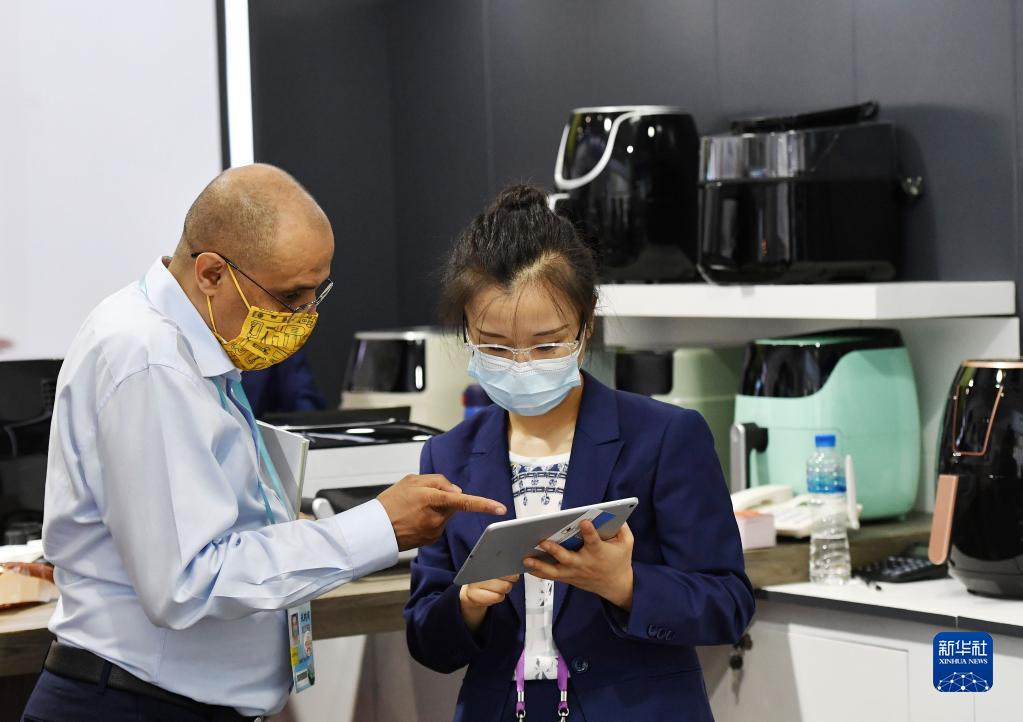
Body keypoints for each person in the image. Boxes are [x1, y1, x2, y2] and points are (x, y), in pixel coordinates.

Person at [23, 164, 505, 722]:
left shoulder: (193, 347)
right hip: (131, 704)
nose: (306, 317)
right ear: (211, 273)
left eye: (317, 292)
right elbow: (188, 582)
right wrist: (378, 526)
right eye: (290, 296)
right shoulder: (151, 360)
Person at [404, 185, 755, 722]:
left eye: (547, 344)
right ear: (467, 334)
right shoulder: (448, 456)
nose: (522, 363)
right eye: (495, 346)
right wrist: (467, 605)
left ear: (586, 328)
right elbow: (427, 638)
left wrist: (626, 585)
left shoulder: (664, 437)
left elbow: (728, 604)